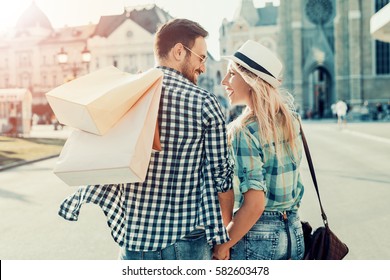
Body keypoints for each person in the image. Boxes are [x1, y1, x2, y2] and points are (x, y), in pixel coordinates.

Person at [58, 18, 234, 260]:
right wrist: (223, 235)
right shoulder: (204, 102)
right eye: (201, 58)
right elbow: (220, 176)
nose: (203, 67)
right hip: (184, 241)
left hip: (134, 239)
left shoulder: (127, 94)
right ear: (179, 51)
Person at [213, 40, 305, 260]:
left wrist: (223, 246)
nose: (225, 81)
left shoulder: (243, 131)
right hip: (294, 231)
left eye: (232, 74)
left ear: (251, 80)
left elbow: (255, 204)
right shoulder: (292, 119)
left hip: (259, 236)